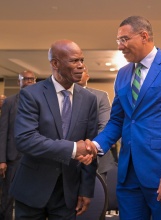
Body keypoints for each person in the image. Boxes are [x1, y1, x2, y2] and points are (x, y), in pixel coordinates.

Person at [86, 16, 161, 219]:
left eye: (124, 39)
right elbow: (117, 121)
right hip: (128, 175)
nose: (120, 46)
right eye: (118, 41)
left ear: (144, 36)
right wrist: (95, 147)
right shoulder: (122, 74)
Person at [9, 39, 98, 219]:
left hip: (68, 193)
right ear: (55, 63)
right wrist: (73, 149)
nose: (81, 66)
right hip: (32, 189)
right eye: (74, 61)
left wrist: (86, 189)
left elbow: (90, 147)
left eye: (82, 60)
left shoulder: (89, 99)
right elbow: (25, 139)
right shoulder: (31, 94)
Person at [0, 71, 36, 220]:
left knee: (30, 195)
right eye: (25, 79)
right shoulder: (9, 102)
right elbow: (3, 131)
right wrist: (1, 159)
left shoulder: (39, 100)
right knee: (8, 196)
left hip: (33, 156)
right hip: (12, 158)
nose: (28, 81)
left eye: (31, 79)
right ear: (19, 82)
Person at [77, 66, 115, 182]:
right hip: (67, 155)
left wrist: (88, 148)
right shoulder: (61, 95)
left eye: (82, 71)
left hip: (96, 157)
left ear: (87, 76)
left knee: (97, 198)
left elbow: (105, 126)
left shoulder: (100, 96)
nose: (78, 73)